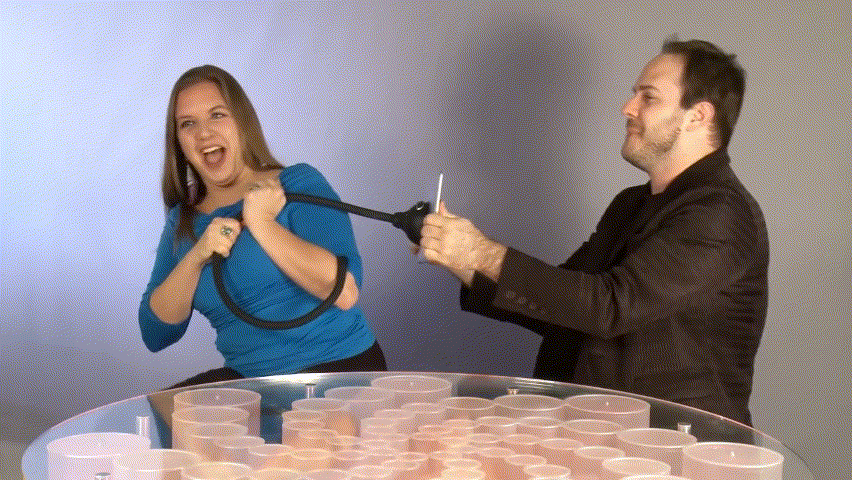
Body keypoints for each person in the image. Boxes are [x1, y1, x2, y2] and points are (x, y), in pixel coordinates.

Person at [419, 39, 767, 425]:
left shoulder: (720, 214)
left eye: (648, 97)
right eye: (634, 94)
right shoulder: (629, 204)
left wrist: (481, 253)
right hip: (596, 434)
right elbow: (562, 307)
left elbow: (608, 307)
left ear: (698, 116)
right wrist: (462, 261)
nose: (628, 108)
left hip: (676, 445)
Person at [139, 65, 385, 388]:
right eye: (188, 124)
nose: (204, 133)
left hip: (338, 370)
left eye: (217, 115)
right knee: (164, 411)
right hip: (253, 383)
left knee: (301, 426)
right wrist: (197, 255)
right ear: (179, 142)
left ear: (242, 122)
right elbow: (155, 334)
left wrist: (262, 223)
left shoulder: (296, 184)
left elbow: (345, 291)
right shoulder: (182, 222)